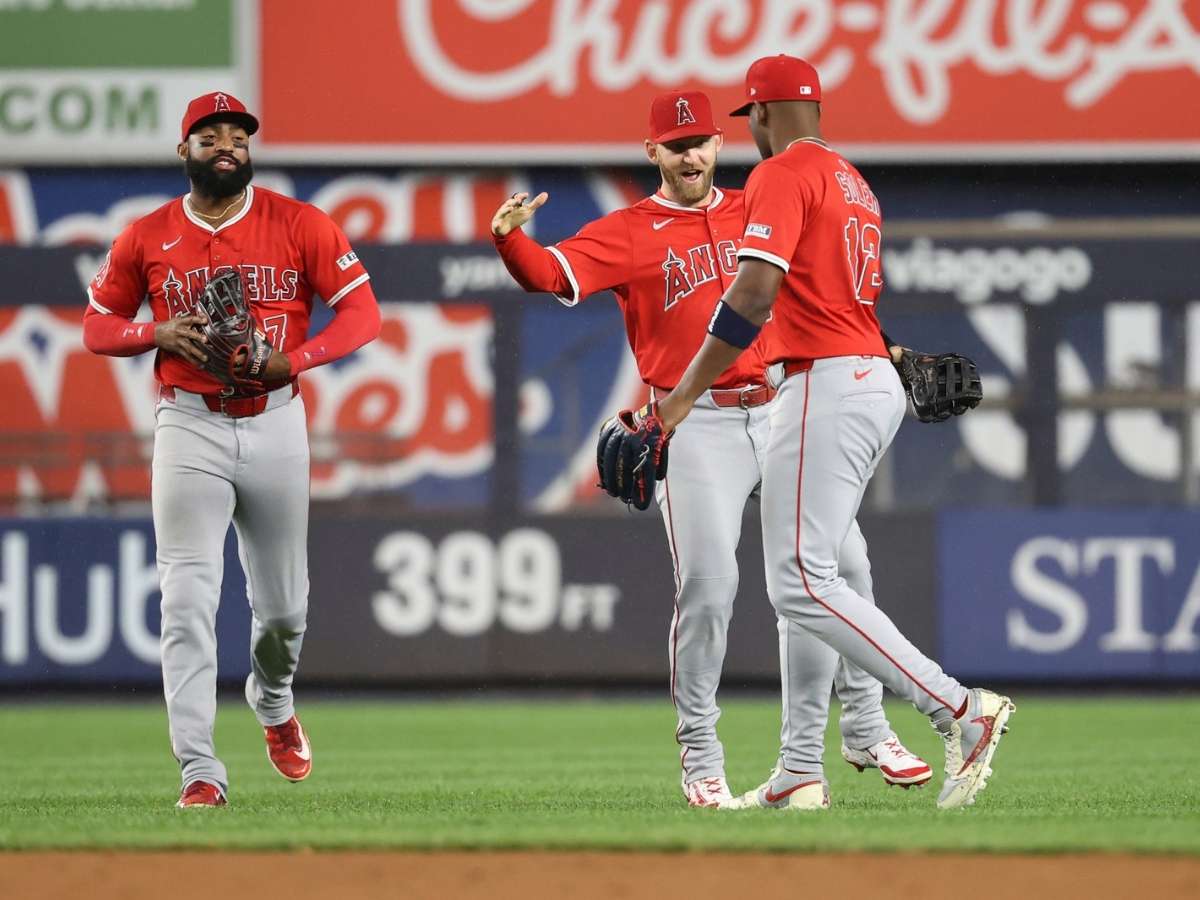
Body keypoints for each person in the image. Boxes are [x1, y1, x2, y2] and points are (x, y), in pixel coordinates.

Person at [491, 90, 930, 810]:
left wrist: (891, 349)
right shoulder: (630, 231)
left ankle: (866, 724)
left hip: (784, 405)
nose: (691, 153)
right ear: (652, 154)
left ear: (717, 147)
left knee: (843, 565)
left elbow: (825, 294)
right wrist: (511, 240)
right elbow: (551, 275)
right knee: (708, 588)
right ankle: (700, 750)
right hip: (700, 427)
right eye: (676, 143)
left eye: (701, 141)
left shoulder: (757, 208)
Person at [651, 57, 1014, 811]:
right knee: (818, 573)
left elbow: (753, 295)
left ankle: (957, 710)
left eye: (748, 119)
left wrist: (683, 394)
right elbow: (837, 299)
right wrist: (895, 357)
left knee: (802, 579)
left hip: (824, 384)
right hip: (861, 375)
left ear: (759, 116)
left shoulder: (781, 174)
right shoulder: (854, 181)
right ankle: (796, 770)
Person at [82, 92, 381, 808]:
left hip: (275, 419)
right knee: (186, 598)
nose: (226, 145)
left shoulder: (300, 223)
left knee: (284, 612)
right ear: (183, 151)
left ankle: (272, 700)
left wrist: (298, 359)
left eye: (237, 136)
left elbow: (363, 315)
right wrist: (154, 333)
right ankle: (200, 771)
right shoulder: (146, 236)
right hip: (188, 423)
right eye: (209, 135)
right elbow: (97, 327)